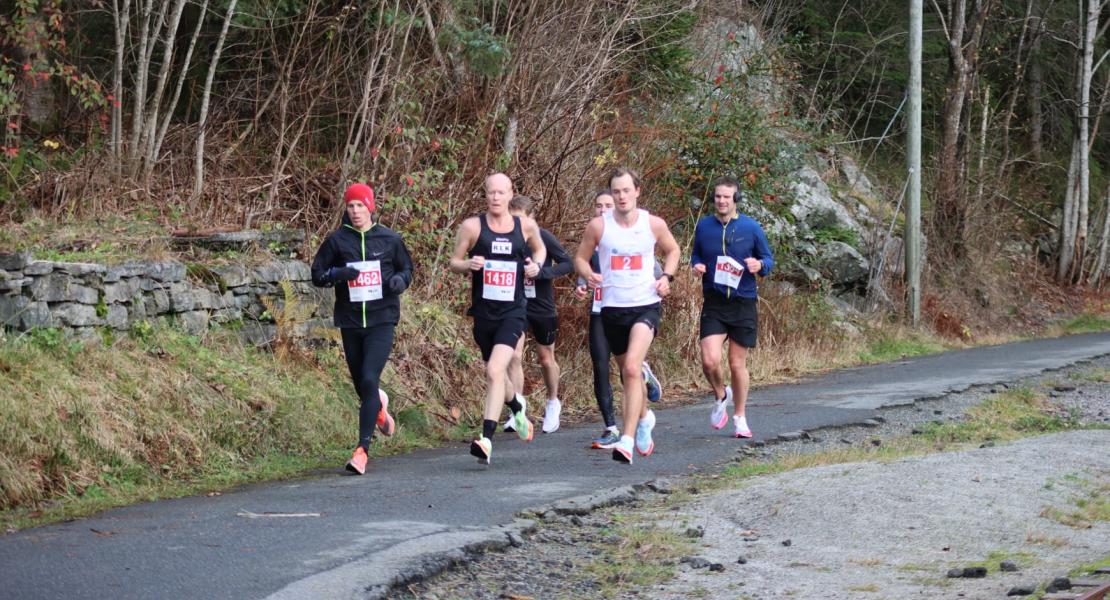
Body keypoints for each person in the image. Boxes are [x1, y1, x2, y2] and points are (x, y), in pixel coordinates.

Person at [574, 167, 680, 464]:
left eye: (626, 190)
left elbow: (673, 250)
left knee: (633, 367)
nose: (621, 196)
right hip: (612, 309)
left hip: (646, 305)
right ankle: (644, 417)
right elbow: (580, 258)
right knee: (627, 374)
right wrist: (588, 274)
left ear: (637, 191)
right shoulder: (599, 226)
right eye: (616, 191)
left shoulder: (653, 224)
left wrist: (667, 277)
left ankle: (627, 440)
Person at [311, 182, 413, 475]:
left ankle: (361, 451)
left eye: (360, 205)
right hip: (351, 321)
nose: (355, 211)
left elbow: (407, 269)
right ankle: (378, 406)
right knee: (362, 386)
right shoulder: (337, 241)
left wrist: (399, 282)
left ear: (370, 207)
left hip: (382, 320)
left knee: (370, 377)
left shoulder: (390, 239)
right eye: (351, 206)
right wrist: (338, 273)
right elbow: (317, 274)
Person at [449, 172, 546, 465]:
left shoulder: (524, 225)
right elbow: (454, 262)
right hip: (484, 313)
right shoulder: (472, 226)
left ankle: (486, 440)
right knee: (497, 374)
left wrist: (536, 266)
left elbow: (540, 249)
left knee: (494, 370)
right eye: (491, 192)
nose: (495, 197)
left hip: (513, 312)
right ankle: (517, 407)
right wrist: (468, 263)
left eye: (501, 192)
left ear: (510, 194)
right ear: (486, 194)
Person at [691, 175, 774, 438]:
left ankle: (739, 417)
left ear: (736, 198)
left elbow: (768, 259)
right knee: (709, 360)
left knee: (737, 364)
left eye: (727, 197)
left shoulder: (751, 227)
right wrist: (696, 265)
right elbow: (696, 254)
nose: (721, 201)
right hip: (715, 302)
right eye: (717, 196)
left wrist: (759, 265)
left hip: (743, 302)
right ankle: (720, 393)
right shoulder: (704, 226)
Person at [502, 195, 574, 434]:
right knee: (514, 355)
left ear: (532, 218)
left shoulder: (543, 237)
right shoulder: (504, 237)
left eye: (520, 219)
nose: (516, 224)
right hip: (516, 305)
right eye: (512, 219)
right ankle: (517, 411)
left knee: (545, 358)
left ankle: (553, 402)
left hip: (542, 306)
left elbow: (567, 263)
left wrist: (541, 272)